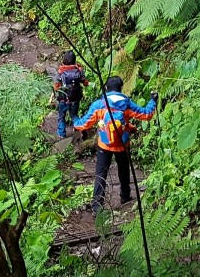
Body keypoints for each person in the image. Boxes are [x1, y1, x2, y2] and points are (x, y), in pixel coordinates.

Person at [74, 76, 157, 215]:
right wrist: (153, 101)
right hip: (122, 144)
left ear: (106, 88)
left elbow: (84, 124)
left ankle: (97, 206)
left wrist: (75, 121)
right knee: (123, 171)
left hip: (104, 145)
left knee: (101, 174)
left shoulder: (99, 104)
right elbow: (146, 114)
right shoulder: (127, 104)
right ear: (121, 88)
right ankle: (125, 197)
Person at [52, 51, 89, 138]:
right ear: (74, 60)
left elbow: (56, 86)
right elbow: (85, 83)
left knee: (61, 116)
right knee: (74, 115)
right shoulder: (79, 70)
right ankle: (81, 127)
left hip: (63, 99)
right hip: (75, 98)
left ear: (64, 59)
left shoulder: (61, 71)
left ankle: (62, 134)